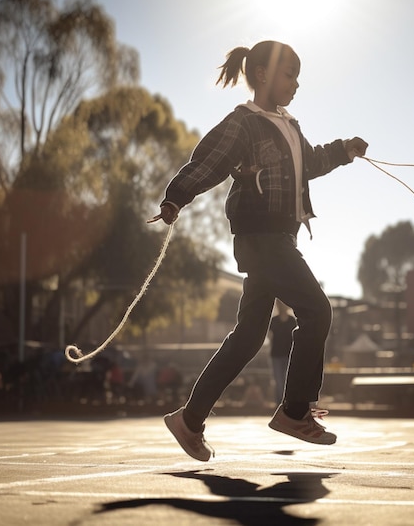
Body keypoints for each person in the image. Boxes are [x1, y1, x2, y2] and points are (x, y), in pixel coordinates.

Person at [154, 40, 368, 461]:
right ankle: (294, 411)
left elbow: (310, 163)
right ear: (264, 75)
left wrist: (343, 150)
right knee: (317, 310)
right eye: (290, 74)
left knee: (249, 337)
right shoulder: (244, 123)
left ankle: (188, 419)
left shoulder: (290, 125)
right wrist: (176, 197)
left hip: (280, 239)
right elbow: (209, 162)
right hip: (260, 238)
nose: (296, 84)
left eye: (299, 76)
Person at [269, 299, 297, 405]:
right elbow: (270, 337)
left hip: (289, 355)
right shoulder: (274, 320)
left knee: (287, 380)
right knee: (279, 381)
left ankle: (288, 403)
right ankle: (279, 404)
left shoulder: (292, 320)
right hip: (276, 355)